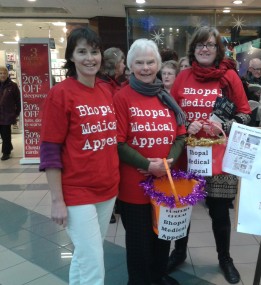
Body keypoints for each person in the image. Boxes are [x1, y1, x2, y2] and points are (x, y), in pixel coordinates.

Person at [169, 26, 251, 284]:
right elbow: (171, 114)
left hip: (219, 157)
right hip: (186, 156)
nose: (205, 49)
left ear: (218, 50)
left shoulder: (229, 78)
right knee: (182, 209)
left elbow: (245, 113)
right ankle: (179, 252)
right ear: (193, 49)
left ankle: (225, 258)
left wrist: (222, 126)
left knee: (218, 212)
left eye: (210, 45)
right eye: (200, 45)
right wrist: (185, 126)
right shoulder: (182, 77)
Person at [39, 27, 119, 285]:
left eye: (94, 52)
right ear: (71, 57)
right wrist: (56, 200)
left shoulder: (106, 90)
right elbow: (50, 148)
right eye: (82, 51)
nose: (89, 58)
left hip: (107, 189)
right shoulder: (61, 93)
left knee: (85, 257)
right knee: (94, 262)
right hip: (77, 191)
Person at [113, 38, 186, 285]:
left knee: (162, 237)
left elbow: (180, 134)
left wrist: (167, 163)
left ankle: (158, 276)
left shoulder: (166, 97)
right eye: (140, 62)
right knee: (138, 242)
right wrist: (148, 166)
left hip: (164, 182)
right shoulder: (121, 98)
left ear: (158, 64)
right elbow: (118, 142)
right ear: (130, 66)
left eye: (150, 62)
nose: (146, 67)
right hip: (134, 187)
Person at [100, 47, 127, 224]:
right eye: (123, 62)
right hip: (109, 136)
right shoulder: (105, 86)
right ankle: (108, 207)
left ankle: (115, 204)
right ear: (116, 65)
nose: (125, 65)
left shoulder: (116, 83)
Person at [0, 66, 21, 161]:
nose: (2, 75)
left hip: (7, 114)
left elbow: (18, 100)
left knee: (5, 134)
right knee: (3, 134)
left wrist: (17, 112)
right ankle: (9, 147)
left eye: (4, 73)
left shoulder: (13, 86)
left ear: (7, 74)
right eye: (0, 73)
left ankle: (6, 152)